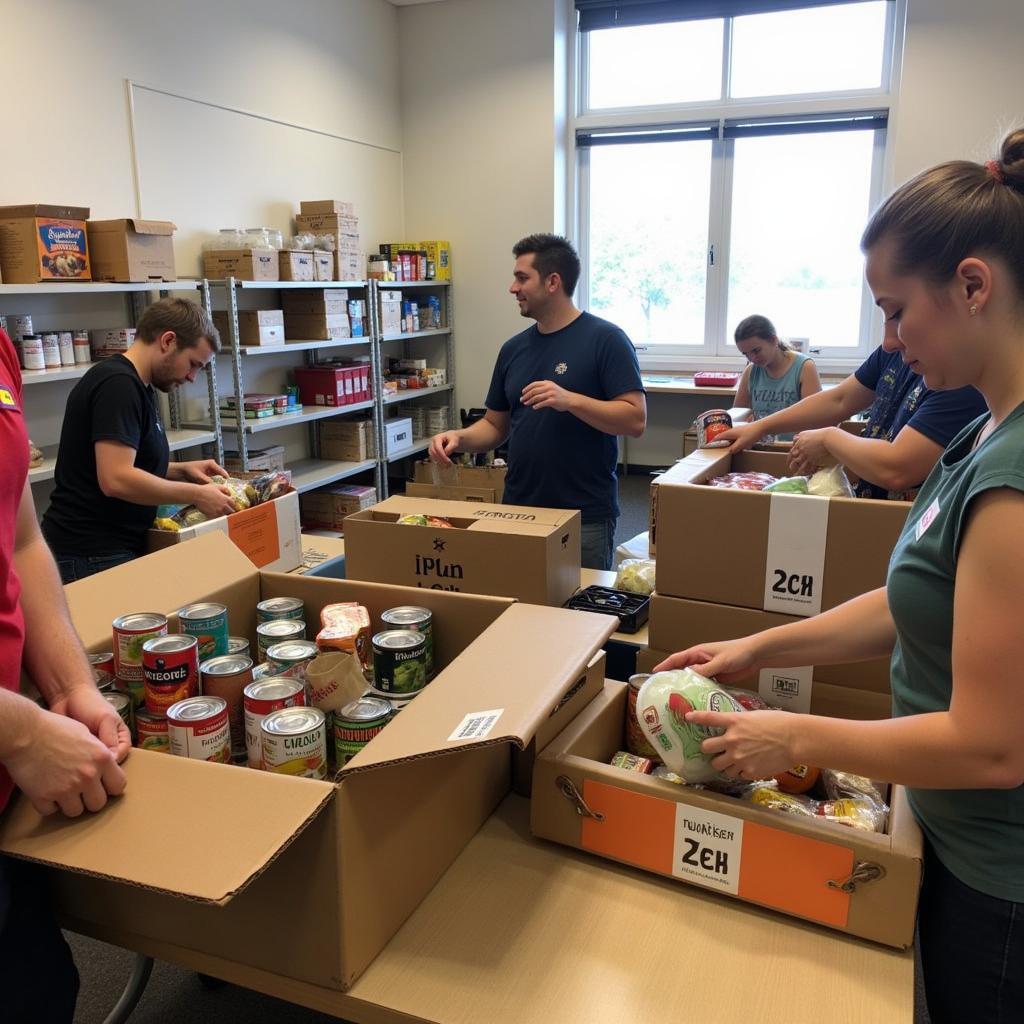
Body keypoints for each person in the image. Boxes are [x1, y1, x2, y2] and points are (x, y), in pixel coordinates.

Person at [655, 129, 1024, 1024]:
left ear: (973, 286)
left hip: (997, 881)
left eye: (898, 312)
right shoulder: (980, 431)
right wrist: (758, 647)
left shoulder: (1013, 475)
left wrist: (799, 738)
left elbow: (992, 744)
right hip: (944, 833)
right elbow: (911, 599)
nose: (890, 345)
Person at [0, 326, 132, 1021]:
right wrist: (20, 730)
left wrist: (70, 685)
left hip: (12, 792)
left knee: (42, 994)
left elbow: (19, 537)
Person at [429, 234, 646, 570]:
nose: (512, 288)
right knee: (518, 607)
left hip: (583, 516)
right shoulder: (513, 349)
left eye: (522, 278)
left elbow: (634, 420)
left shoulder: (606, 340)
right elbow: (495, 426)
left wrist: (570, 400)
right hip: (519, 509)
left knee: (580, 617)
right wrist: (460, 438)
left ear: (552, 282)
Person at [42, 298, 236, 582]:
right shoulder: (118, 386)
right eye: (193, 364)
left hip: (109, 548)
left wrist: (182, 470)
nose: (193, 377)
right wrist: (196, 494)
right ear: (168, 341)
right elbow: (116, 478)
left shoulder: (139, 385)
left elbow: (125, 461)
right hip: (90, 552)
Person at [717, 320, 986, 500]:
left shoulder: (960, 379)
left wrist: (828, 438)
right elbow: (840, 399)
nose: (888, 340)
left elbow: (897, 469)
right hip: (870, 500)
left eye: (898, 312)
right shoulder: (892, 353)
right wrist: (760, 426)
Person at [733, 314, 821, 440]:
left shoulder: (805, 367)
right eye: (746, 354)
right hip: (761, 447)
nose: (752, 358)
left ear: (774, 340)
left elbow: (815, 420)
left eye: (756, 351)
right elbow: (738, 416)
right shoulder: (750, 371)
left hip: (795, 448)